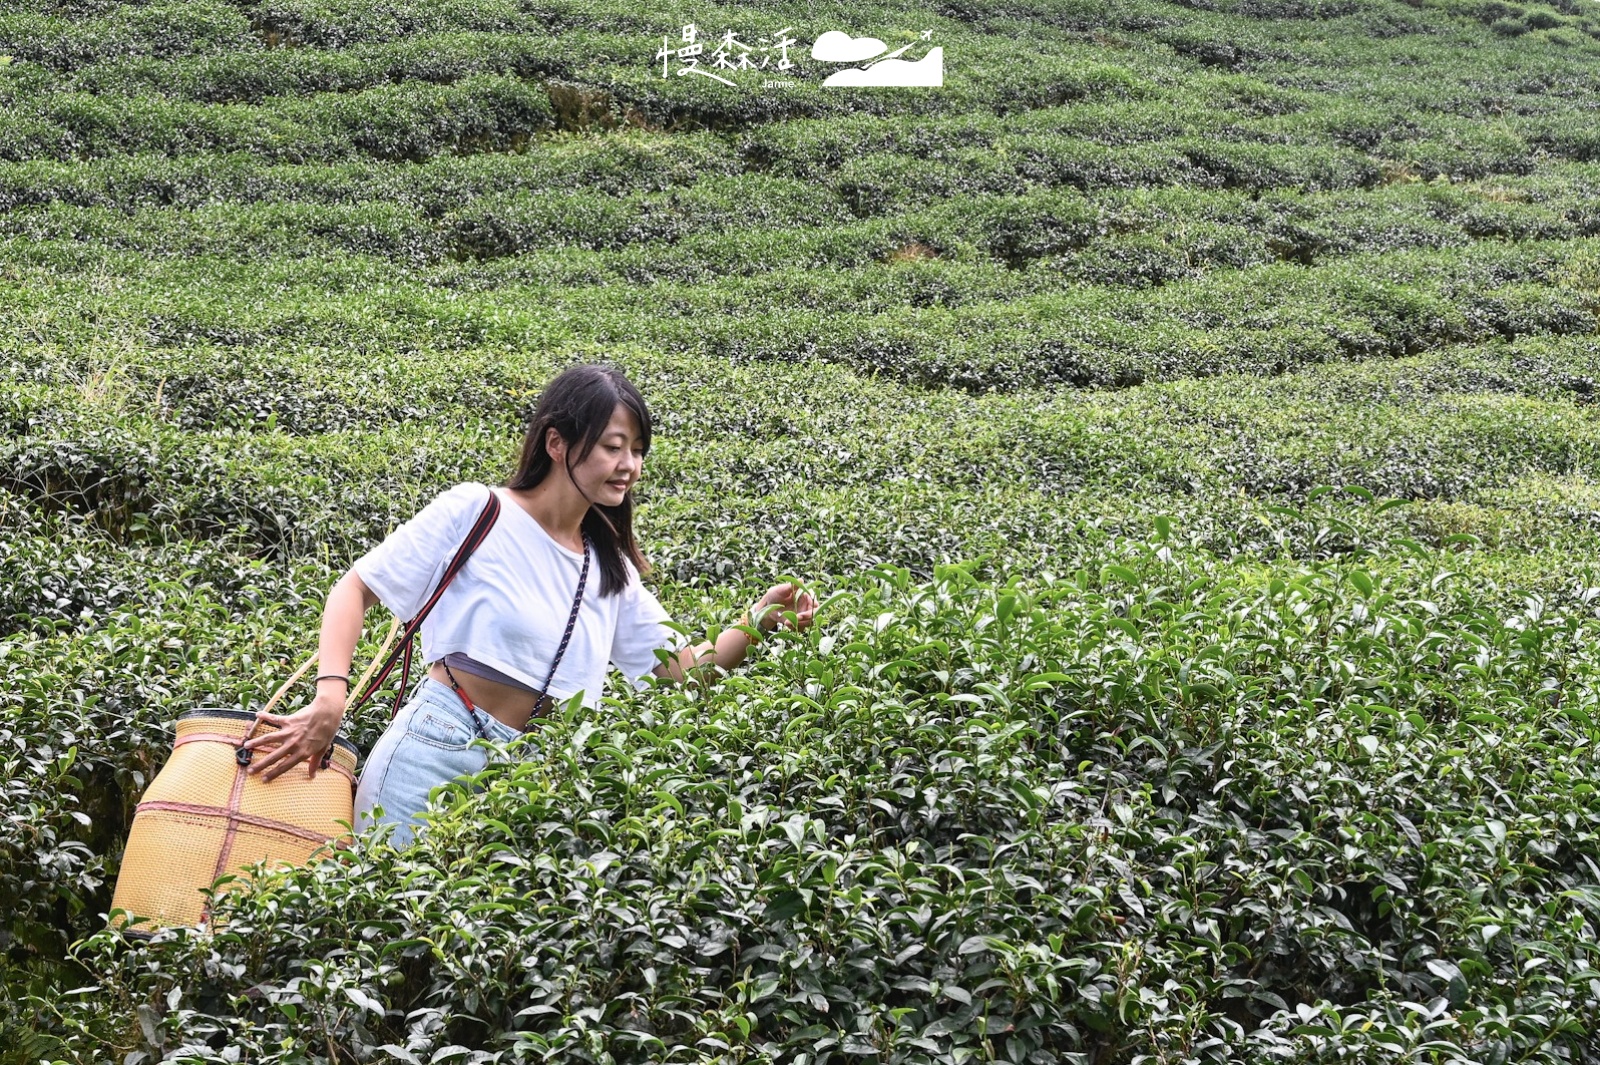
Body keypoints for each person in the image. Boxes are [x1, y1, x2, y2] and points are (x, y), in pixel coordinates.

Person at [239, 363, 818, 845]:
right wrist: (330, 694)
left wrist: (757, 622)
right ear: (557, 442)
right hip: (435, 750)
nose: (630, 466)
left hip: (541, 776)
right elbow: (356, 587)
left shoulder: (607, 563)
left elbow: (680, 674)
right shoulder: (477, 512)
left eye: (638, 451)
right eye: (614, 447)